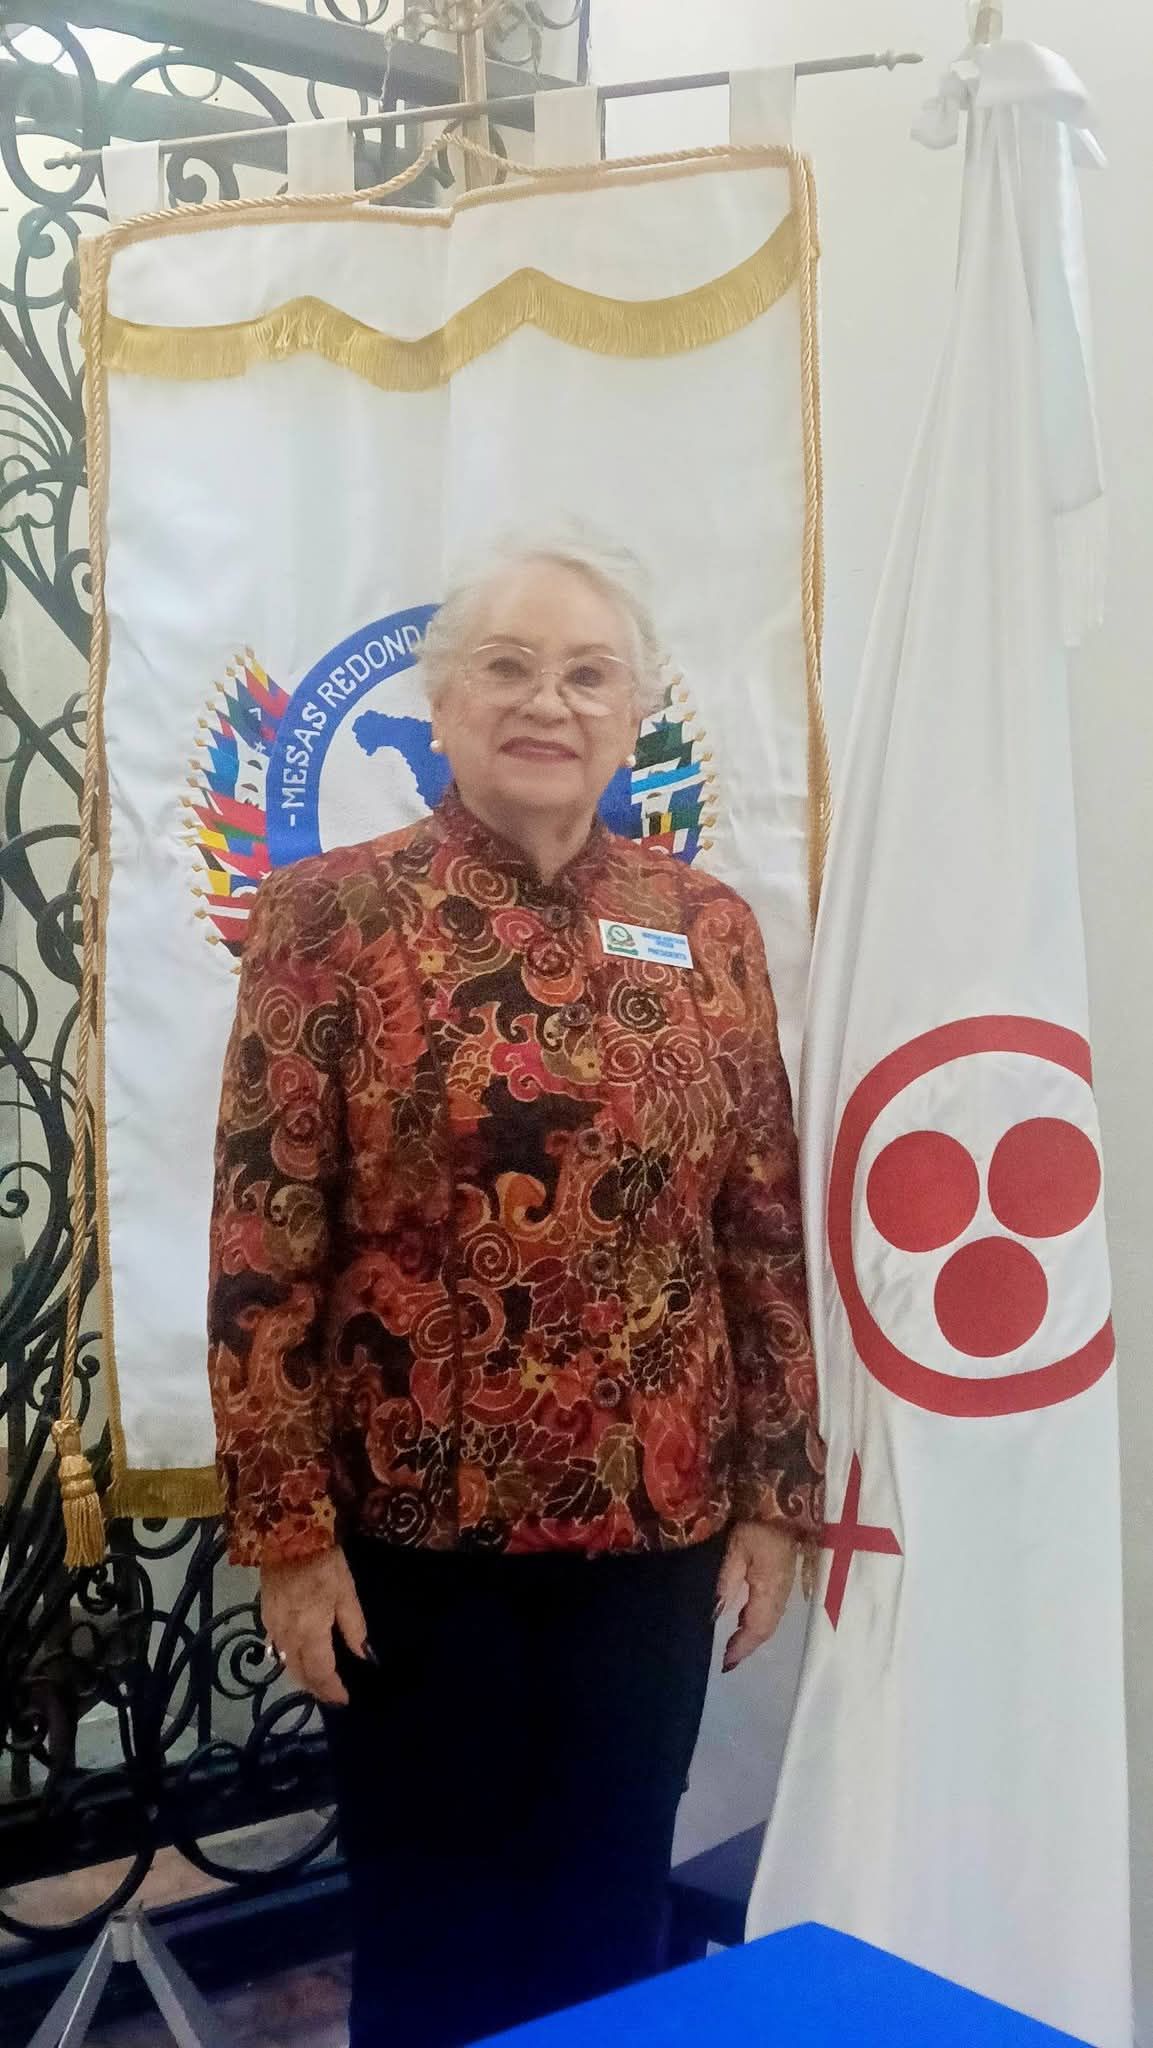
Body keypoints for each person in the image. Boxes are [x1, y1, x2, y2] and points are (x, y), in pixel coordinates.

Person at [207, 537, 825, 2048]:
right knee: (435, 1935)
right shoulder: (330, 919)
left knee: (608, 1917)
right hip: (415, 1540)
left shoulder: (706, 928)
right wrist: (288, 1537)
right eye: (508, 667)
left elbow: (757, 1224)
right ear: (442, 703)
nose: (549, 702)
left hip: (652, 1532)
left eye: (587, 674)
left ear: (633, 718)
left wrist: (773, 1497)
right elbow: (262, 1246)